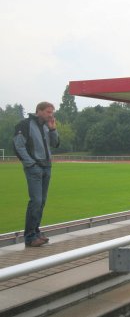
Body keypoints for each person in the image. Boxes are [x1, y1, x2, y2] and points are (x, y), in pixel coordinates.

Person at [13, 101, 60, 247]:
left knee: (42, 202)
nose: (50, 115)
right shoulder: (24, 125)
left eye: (52, 112)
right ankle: (30, 237)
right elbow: (18, 145)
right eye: (48, 112)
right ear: (38, 111)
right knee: (36, 201)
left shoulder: (47, 126)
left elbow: (56, 143)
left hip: (47, 167)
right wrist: (30, 164)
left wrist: (53, 130)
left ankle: (36, 232)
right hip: (34, 168)